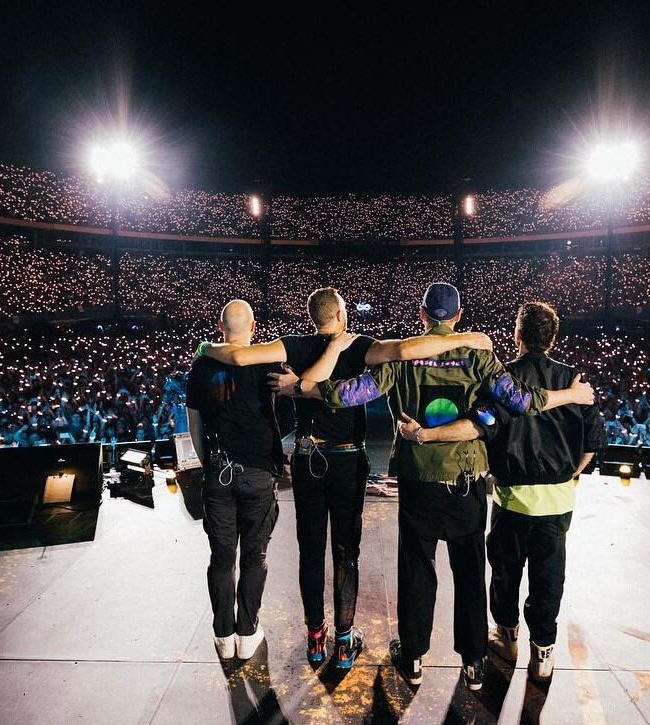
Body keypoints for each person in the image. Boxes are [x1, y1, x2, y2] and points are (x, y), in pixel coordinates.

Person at [274, 283, 595, 691]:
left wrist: (301, 387)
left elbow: (353, 393)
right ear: (458, 316)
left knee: (416, 572)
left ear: (423, 315)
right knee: (470, 574)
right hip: (466, 481)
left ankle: (412, 659)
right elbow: (522, 401)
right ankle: (474, 664)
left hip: (418, 481)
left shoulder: (403, 356)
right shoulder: (479, 355)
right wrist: (572, 394)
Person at [200, 287, 492, 668]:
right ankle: (343, 643)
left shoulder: (293, 345)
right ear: (340, 315)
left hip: (307, 460)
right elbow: (404, 350)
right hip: (350, 462)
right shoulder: (360, 345)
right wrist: (467, 339)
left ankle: (315, 639)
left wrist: (208, 348)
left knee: (309, 551)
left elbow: (239, 354)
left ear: (313, 316)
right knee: (345, 552)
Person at [397, 302, 605, 683]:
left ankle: (504, 640)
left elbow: (482, 426)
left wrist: (424, 435)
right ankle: (539, 654)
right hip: (558, 502)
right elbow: (592, 443)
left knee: (503, 575)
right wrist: (569, 475)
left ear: (517, 335)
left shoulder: (501, 377)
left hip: (509, 499)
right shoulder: (575, 382)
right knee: (547, 577)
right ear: (553, 339)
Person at [186, 299, 283, 661]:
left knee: (221, 558)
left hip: (218, 473)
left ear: (219, 326)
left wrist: (209, 465)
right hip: (258, 473)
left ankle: (223, 635)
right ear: (254, 327)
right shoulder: (267, 362)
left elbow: (195, 424)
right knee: (255, 557)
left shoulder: (201, 365)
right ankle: (247, 632)